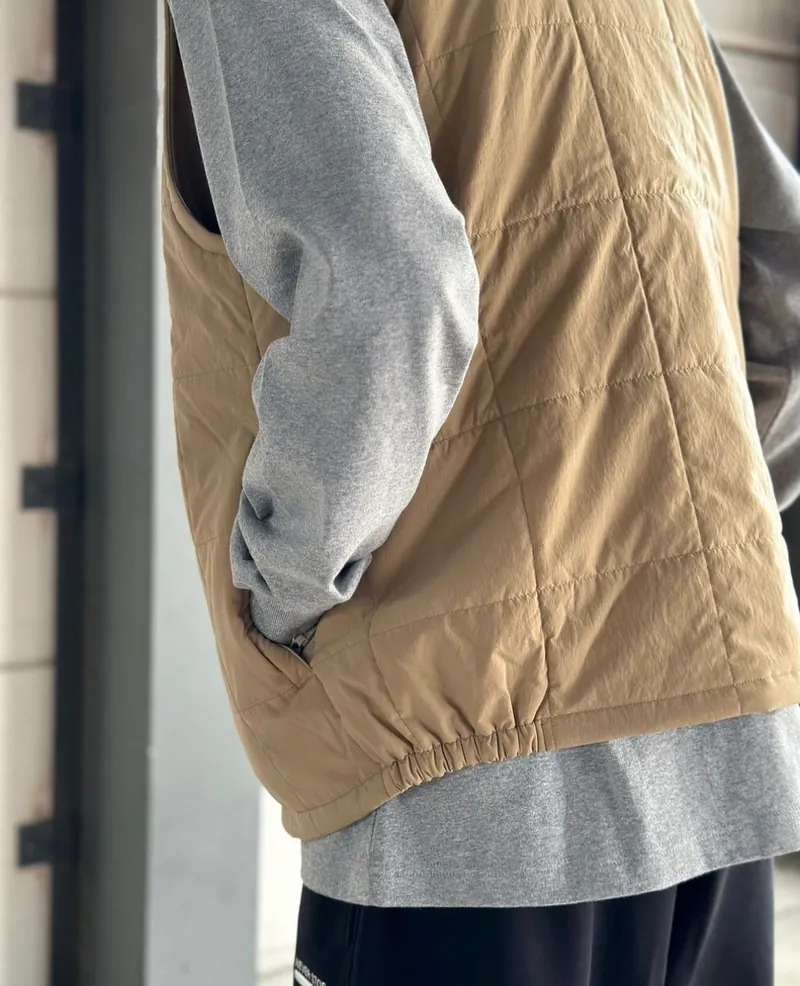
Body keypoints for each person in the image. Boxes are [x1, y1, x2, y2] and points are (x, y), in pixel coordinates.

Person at [163, 2, 800, 983]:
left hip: (459, 769)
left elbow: (393, 293)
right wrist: (704, 527)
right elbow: (780, 283)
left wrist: (287, 590)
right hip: (718, 748)